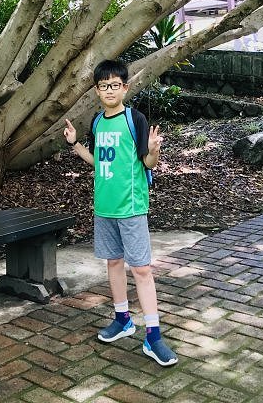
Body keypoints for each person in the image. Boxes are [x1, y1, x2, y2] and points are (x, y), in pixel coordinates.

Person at [64, 58, 178, 366]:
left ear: (124, 88)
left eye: (115, 85)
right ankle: (122, 318)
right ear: (97, 91)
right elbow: (99, 161)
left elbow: (147, 164)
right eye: (104, 86)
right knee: (113, 263)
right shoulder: (98, 122)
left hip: (131, 207)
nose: (109, 90)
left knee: (141, 269)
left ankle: (153, 336)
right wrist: (75, 144)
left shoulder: (135, 119)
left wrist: (154, 151)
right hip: (104, 207)